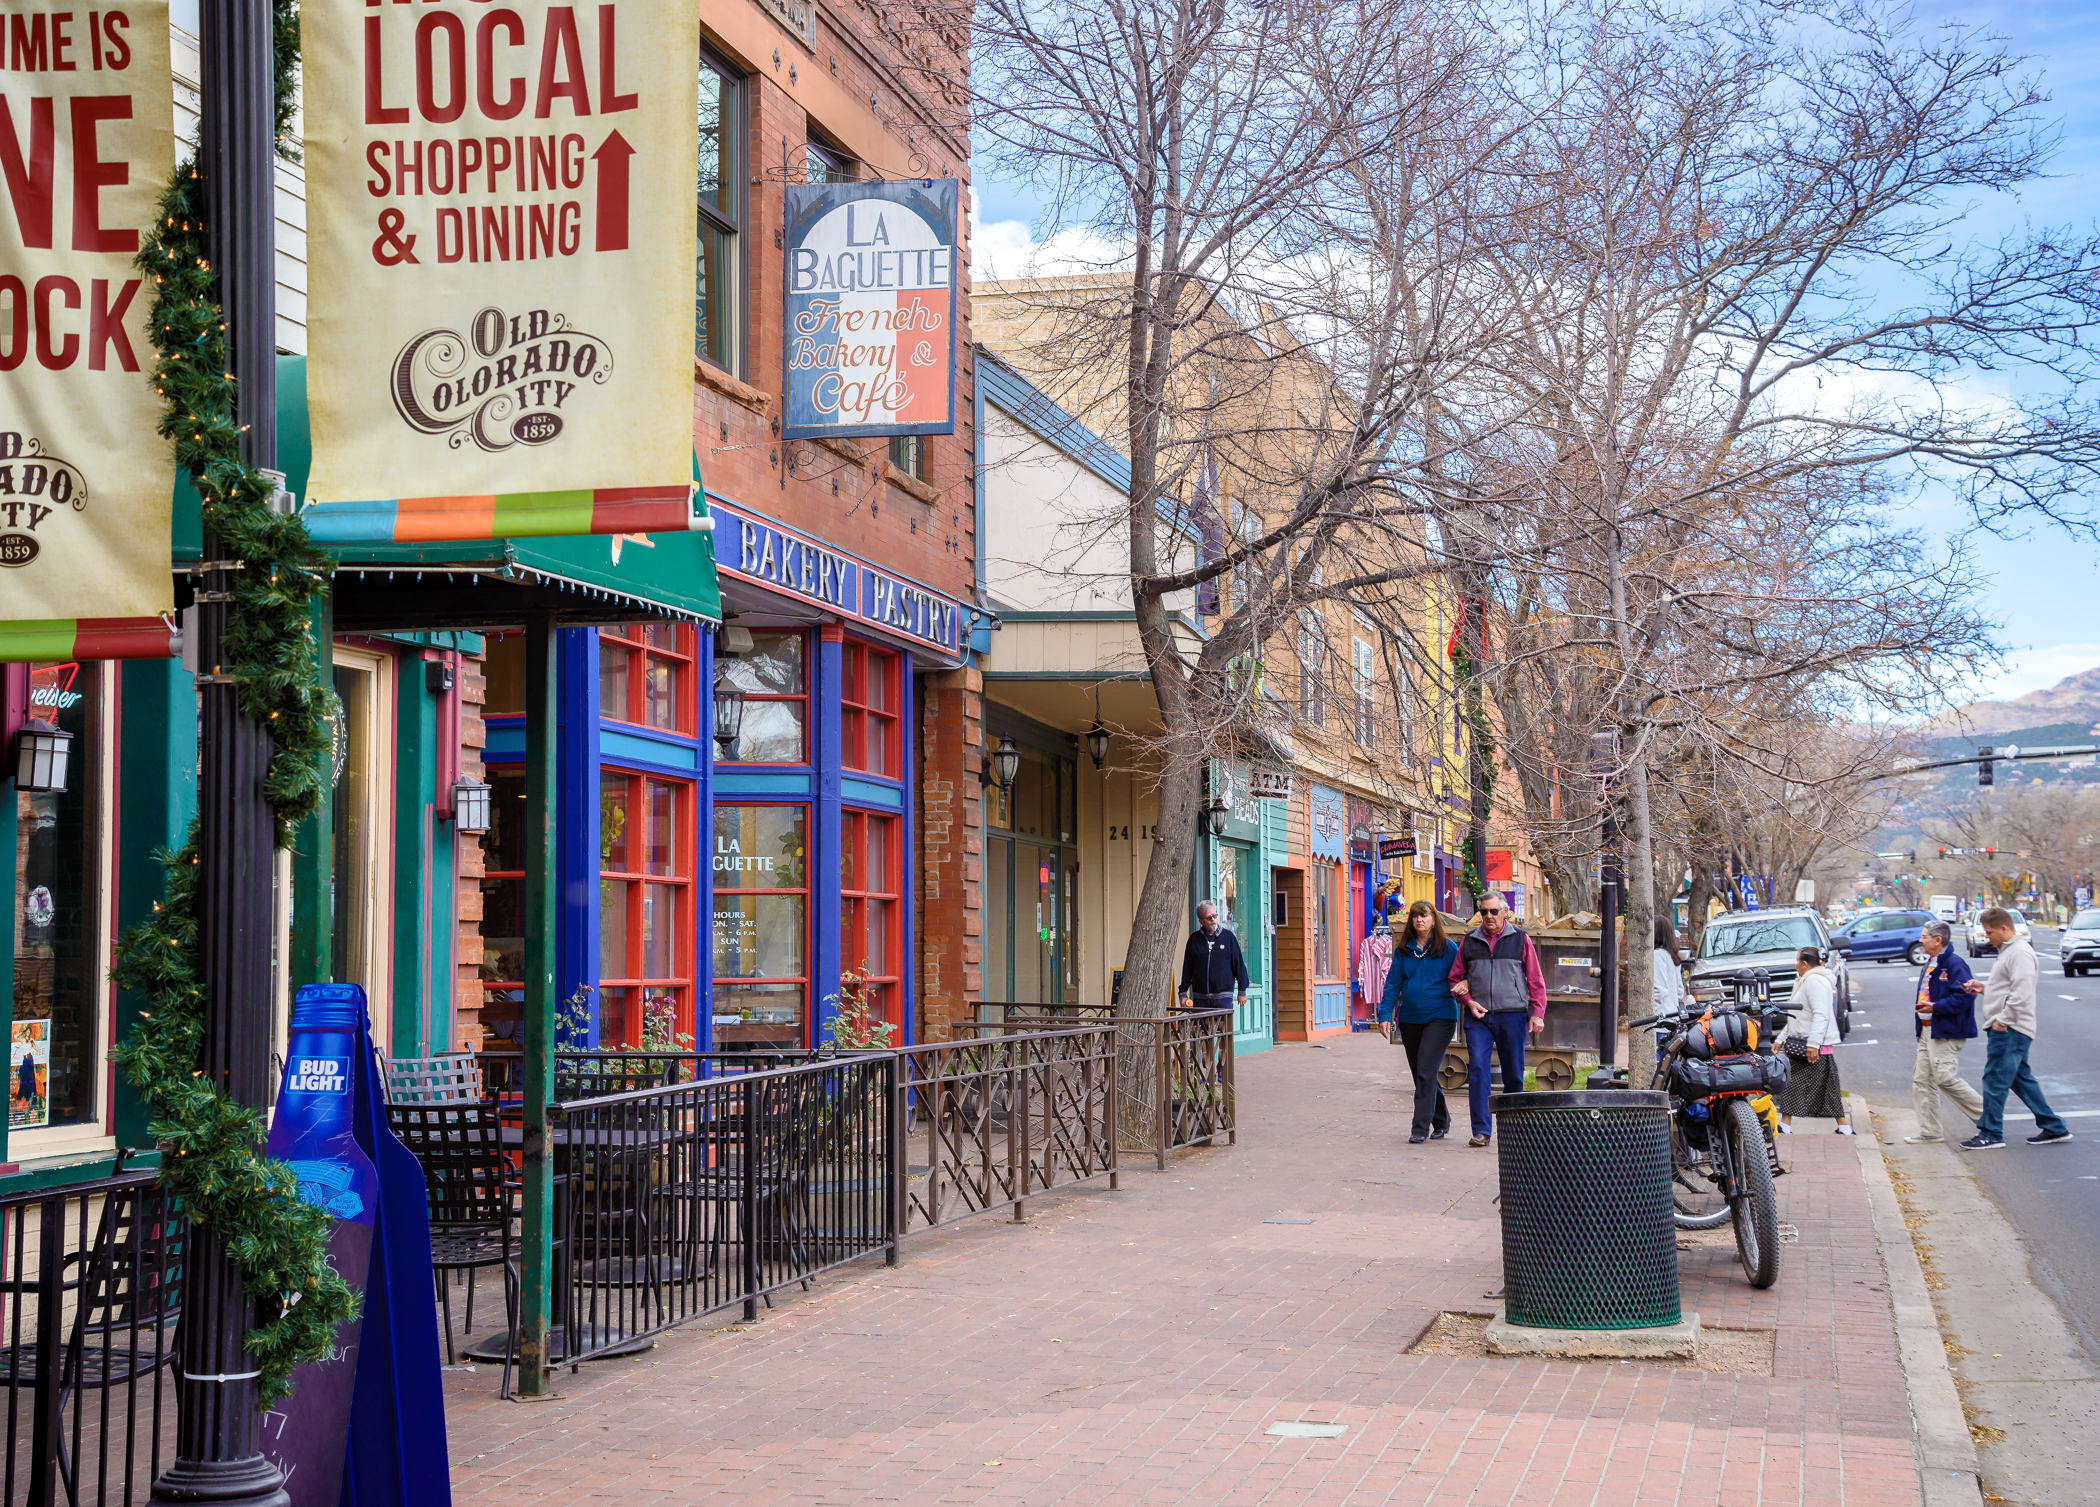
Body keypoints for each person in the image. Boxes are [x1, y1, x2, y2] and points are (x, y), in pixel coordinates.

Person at [1964, 907, 2073, 1150]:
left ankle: (1990, 1134)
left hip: (2010, 1028)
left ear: (2004, 928)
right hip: (2011, 1026)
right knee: (2019, 1079)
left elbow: (2021, 993)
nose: (1987, 937)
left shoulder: (2020, 952)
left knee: (1994, 1080)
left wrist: (2002, 1021)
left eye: (1990, 932)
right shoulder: (2009, 951)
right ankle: (2054, 1126)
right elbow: (2007, 986)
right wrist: (1983, 987)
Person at [1448, 896, 1547, 1147]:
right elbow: (1454, 979)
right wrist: (1469, 1001)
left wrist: (1538, 1012)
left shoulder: (1520, 939)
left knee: (1513, 1073)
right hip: (1478, 1016)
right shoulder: (1470, 940)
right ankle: (1481, 1131)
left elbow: (1535, 979)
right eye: (1484, 911)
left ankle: (1513, 1128)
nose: (1489, 916)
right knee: (1479, 1071)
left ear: (1505, 912)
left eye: (1494, 911)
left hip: (1512, 1014)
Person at [1378, 901, 1462, 1144]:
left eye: (1424, 916)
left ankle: (1419, 1128)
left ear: (1434, 920)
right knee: (1421, 1074)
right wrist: (1385, 1015)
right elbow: (1393, 984)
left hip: (1441, 1016)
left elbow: (1460, 977)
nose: (1419, 920)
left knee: (1426, 1070)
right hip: (1411, 1019)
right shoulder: (1403, 950)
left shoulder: (1448, 949)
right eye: (1415, 916)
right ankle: (1442, 1118)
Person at [1905, 920, 1985, 1144]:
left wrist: (1936, 1008)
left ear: (1937, 940)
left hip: (1946, 1031)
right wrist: (1920, 1026)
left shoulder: (1954, 964)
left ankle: (1989, 1121)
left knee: (1945, 1078)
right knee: (1922, 1080)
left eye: (1924, 937)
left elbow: (1965, 996)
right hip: (1927, 1031)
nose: (1920, 940)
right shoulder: (1930, 963)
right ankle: (1930, 1131)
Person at [1777, 946, 1852, 1133]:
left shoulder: (1813, 981)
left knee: (1795, 1084)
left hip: (1809, 1044)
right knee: (1827, 1088)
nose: (1795, 965)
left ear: (1804, 963)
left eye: (1797, 961)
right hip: (1808, 1042)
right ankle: (1844, 1128)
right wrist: (1780, 1039)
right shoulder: (1808, 980)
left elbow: (1821, 1014)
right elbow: (1798, 1015)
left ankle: (1785, 1125)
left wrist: (1813, 1044)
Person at [1177, 901, 1249, 1016]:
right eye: (1209, 918)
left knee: (1224, 1032)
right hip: (1200, 998)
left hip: (1223, 997)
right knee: (1202, 1032)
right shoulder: (1194, 940)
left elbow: (1239, 964)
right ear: (1201, 921)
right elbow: (1188, 968)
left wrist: (1242, 990)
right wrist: (1183, 992)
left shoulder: (1228, 937)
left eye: (1214, 916)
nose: (1213, 920)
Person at [1653, 917, 1685, 1020]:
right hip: (1673, 1016)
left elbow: (1658, 990)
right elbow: (1680, 991)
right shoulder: (1672, 955)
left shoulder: (1657, 955)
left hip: (1660, 1019)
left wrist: (1649, 1014)